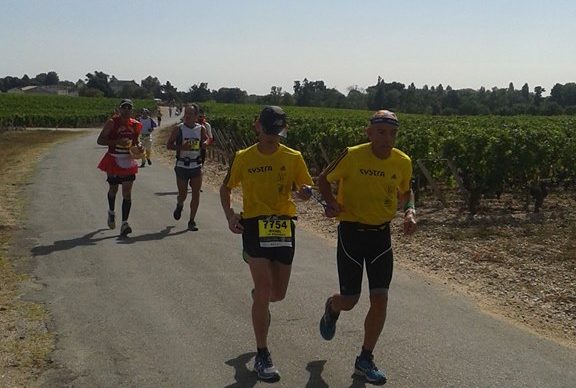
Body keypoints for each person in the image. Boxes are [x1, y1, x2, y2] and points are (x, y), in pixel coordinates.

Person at [317, 109, 417, 384]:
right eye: (382, 132)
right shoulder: (352, 154)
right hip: (351, 233)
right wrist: (330, 203)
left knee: (380, 298)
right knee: (350, 301)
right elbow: (323, 180)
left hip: (381, 237)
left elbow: (407, 192)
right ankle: (332, 307)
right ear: (369, 132)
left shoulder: (402, 161)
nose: (388, 139)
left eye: (393, 133)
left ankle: (365, 358)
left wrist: (410, 212)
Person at [219, 106, 313, 382]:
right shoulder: (244, 157)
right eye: (268, 129)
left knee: (278, 294)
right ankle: (263, 354)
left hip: (283, 226)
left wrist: (306, 193)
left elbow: (303, 189)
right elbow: (226, 188)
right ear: (257, 126)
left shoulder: (293, 157)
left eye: (278, 130)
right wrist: (230, 215)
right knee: (264, 289)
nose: (272, 136)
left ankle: (259, 299)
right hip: (255, 226)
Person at [97, 99, 144, 237]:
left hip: (128, 161)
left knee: (127, 193)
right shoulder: (112, 123)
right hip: (113, 159)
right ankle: (111, 212)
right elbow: (100, 140)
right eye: (124, 107)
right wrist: (117, 141)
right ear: (119, 109)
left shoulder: (135, 125)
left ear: (132, 110)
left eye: (129, 108)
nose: (126, 110)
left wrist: (139, 147)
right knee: (113, 189)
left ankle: (125, 223)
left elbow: (136, 141)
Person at [166, 104, 207, 231]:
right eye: (186, 113)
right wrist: (182, 148)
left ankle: (191, 220)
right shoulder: (178, 129)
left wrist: (206, 143)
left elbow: (207, 140)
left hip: (196, 164)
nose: (187, 116)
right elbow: (168, 145)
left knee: (196, 193)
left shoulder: (201, 129)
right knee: (183, 194)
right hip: (182, 165)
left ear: (196, 116)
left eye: (190, 114)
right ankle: (180, 204)